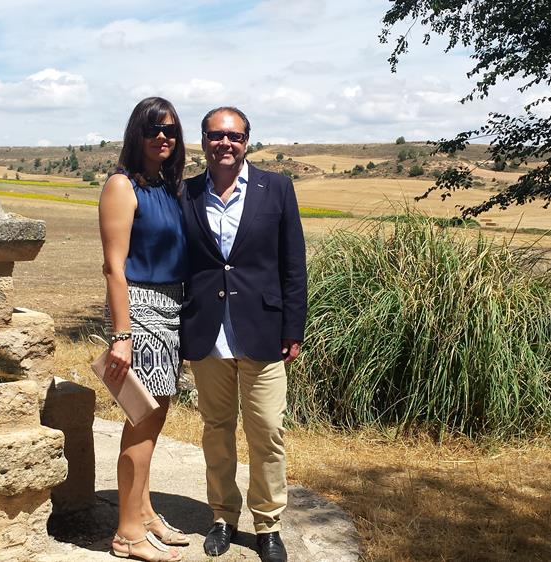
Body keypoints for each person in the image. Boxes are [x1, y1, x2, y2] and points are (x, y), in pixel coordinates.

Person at [179, 106, 307, 562]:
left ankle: (268, 524)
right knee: (216, 430)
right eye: (216, 136)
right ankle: (222, 516)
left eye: (234, 136)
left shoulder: (277, 188)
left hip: (263, 331)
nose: (225, 144)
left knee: (267, 431)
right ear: (203, 141)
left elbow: (293, 263)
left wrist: (293, 326)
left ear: (247, 141)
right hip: (207, 331)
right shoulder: (186, 192)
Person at [99, 97, 189, 562]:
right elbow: (114, 266)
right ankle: (127, 534)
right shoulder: (123, 185)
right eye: (153, 129)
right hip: (141, 310)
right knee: (142, 422)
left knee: (154, 420)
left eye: (170, 130)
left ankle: (145, 512)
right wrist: (122, 335)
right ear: (137, 133)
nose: (162, 137)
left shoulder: (166, 187)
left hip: (170, 308)